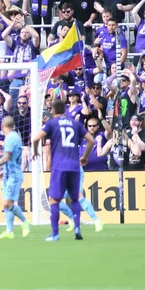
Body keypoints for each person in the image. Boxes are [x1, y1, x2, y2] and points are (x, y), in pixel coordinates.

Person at [32, 99, 95, 241]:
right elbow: (92, 140)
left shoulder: (52, 123)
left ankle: (55, 234)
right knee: (75, 199)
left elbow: (35, 138)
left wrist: (35, 151)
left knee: (54, 200)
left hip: (59, 166)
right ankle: (77, 228)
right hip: (74, 166)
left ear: (52, 111)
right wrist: (84, 157)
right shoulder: (75, 123)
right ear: (65, 110)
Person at [0, 116, 31, 240]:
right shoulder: (15, 137)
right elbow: (13, 159)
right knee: (7, 203)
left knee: (7, 203)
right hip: (9, 173)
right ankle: (9, 231)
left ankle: (25, 222)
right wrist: (4, 170)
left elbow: (6, 157)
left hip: (13, 175)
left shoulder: (10, 138)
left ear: (2, 126)